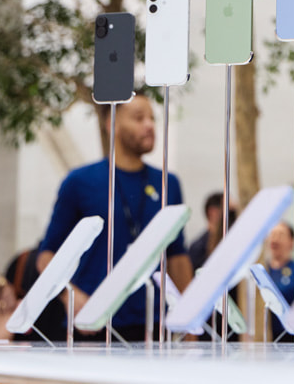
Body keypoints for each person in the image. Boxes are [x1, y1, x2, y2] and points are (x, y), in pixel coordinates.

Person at [37, 95, 193, 341]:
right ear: (112, 124)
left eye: (152, 118)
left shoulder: (168, 184)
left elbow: (177, 257)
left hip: (153, 326)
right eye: (139, 118)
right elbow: (46, 257)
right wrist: (70, 295)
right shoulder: (79, 182)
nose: (150, 125)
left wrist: (189, 320)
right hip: (92, 325)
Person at [264, 221, 294, 342]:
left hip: (290, 338)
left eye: (281, 235)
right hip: (263, 337)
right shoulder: (262, 271)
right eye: (272, 234)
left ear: (291, 242)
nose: (275, 239)